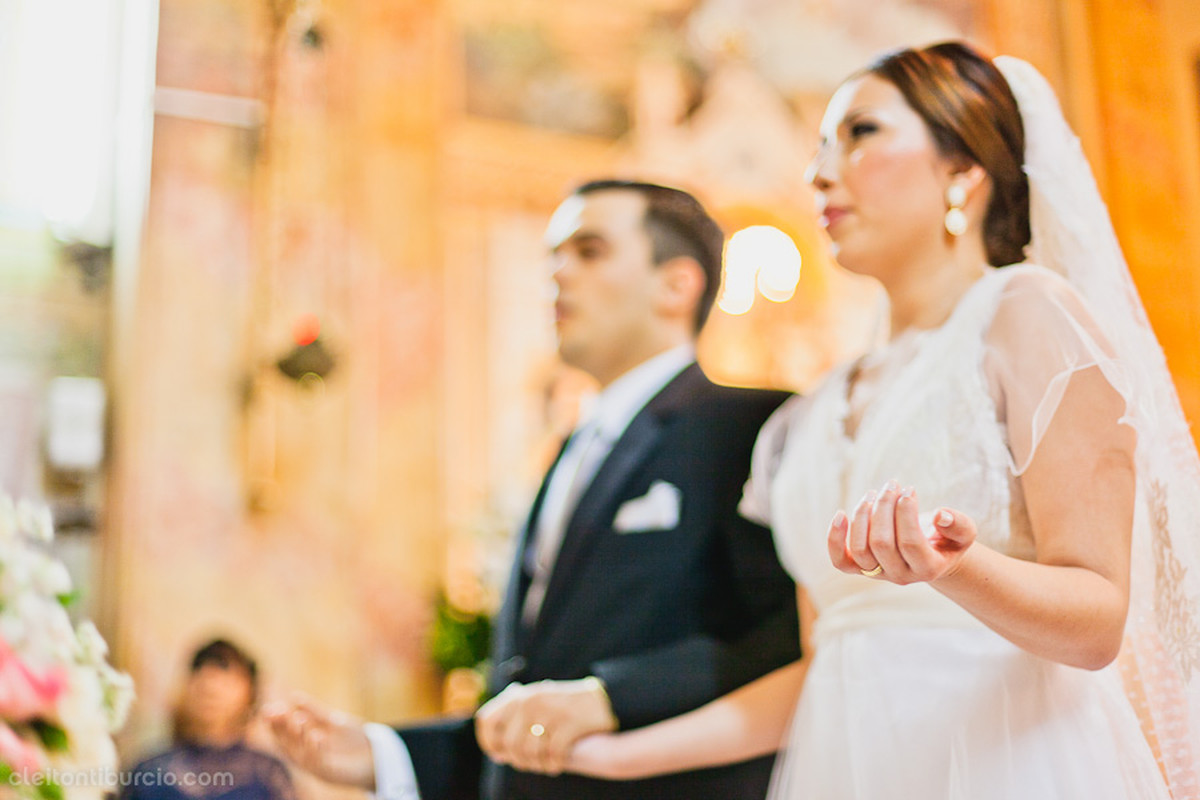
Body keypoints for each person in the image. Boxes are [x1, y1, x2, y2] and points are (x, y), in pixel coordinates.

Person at [547, 42, 1200, 799]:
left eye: (860, 134)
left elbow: (1098, 621)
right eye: (820, 147)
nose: (818, 172)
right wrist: (618, 754)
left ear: (962, 169)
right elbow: (825, 660)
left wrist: (958, 567)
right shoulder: (803, 418)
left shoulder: (1025, 314)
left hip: (1011, 766)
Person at [266, 179, 801, 800]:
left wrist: (611, 695)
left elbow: (788, 644)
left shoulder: (750, 427)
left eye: (589, 250)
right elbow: (537, 695)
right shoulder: (574, 447)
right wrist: (381, 754)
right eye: (552, 255)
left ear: (677, 284)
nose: (556, 273)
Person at [123, 638, 297, 800]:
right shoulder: (150, 772)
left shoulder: (269, 775)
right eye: (201, 675)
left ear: (250, 696)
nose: (211, 687)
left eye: (226, 681)